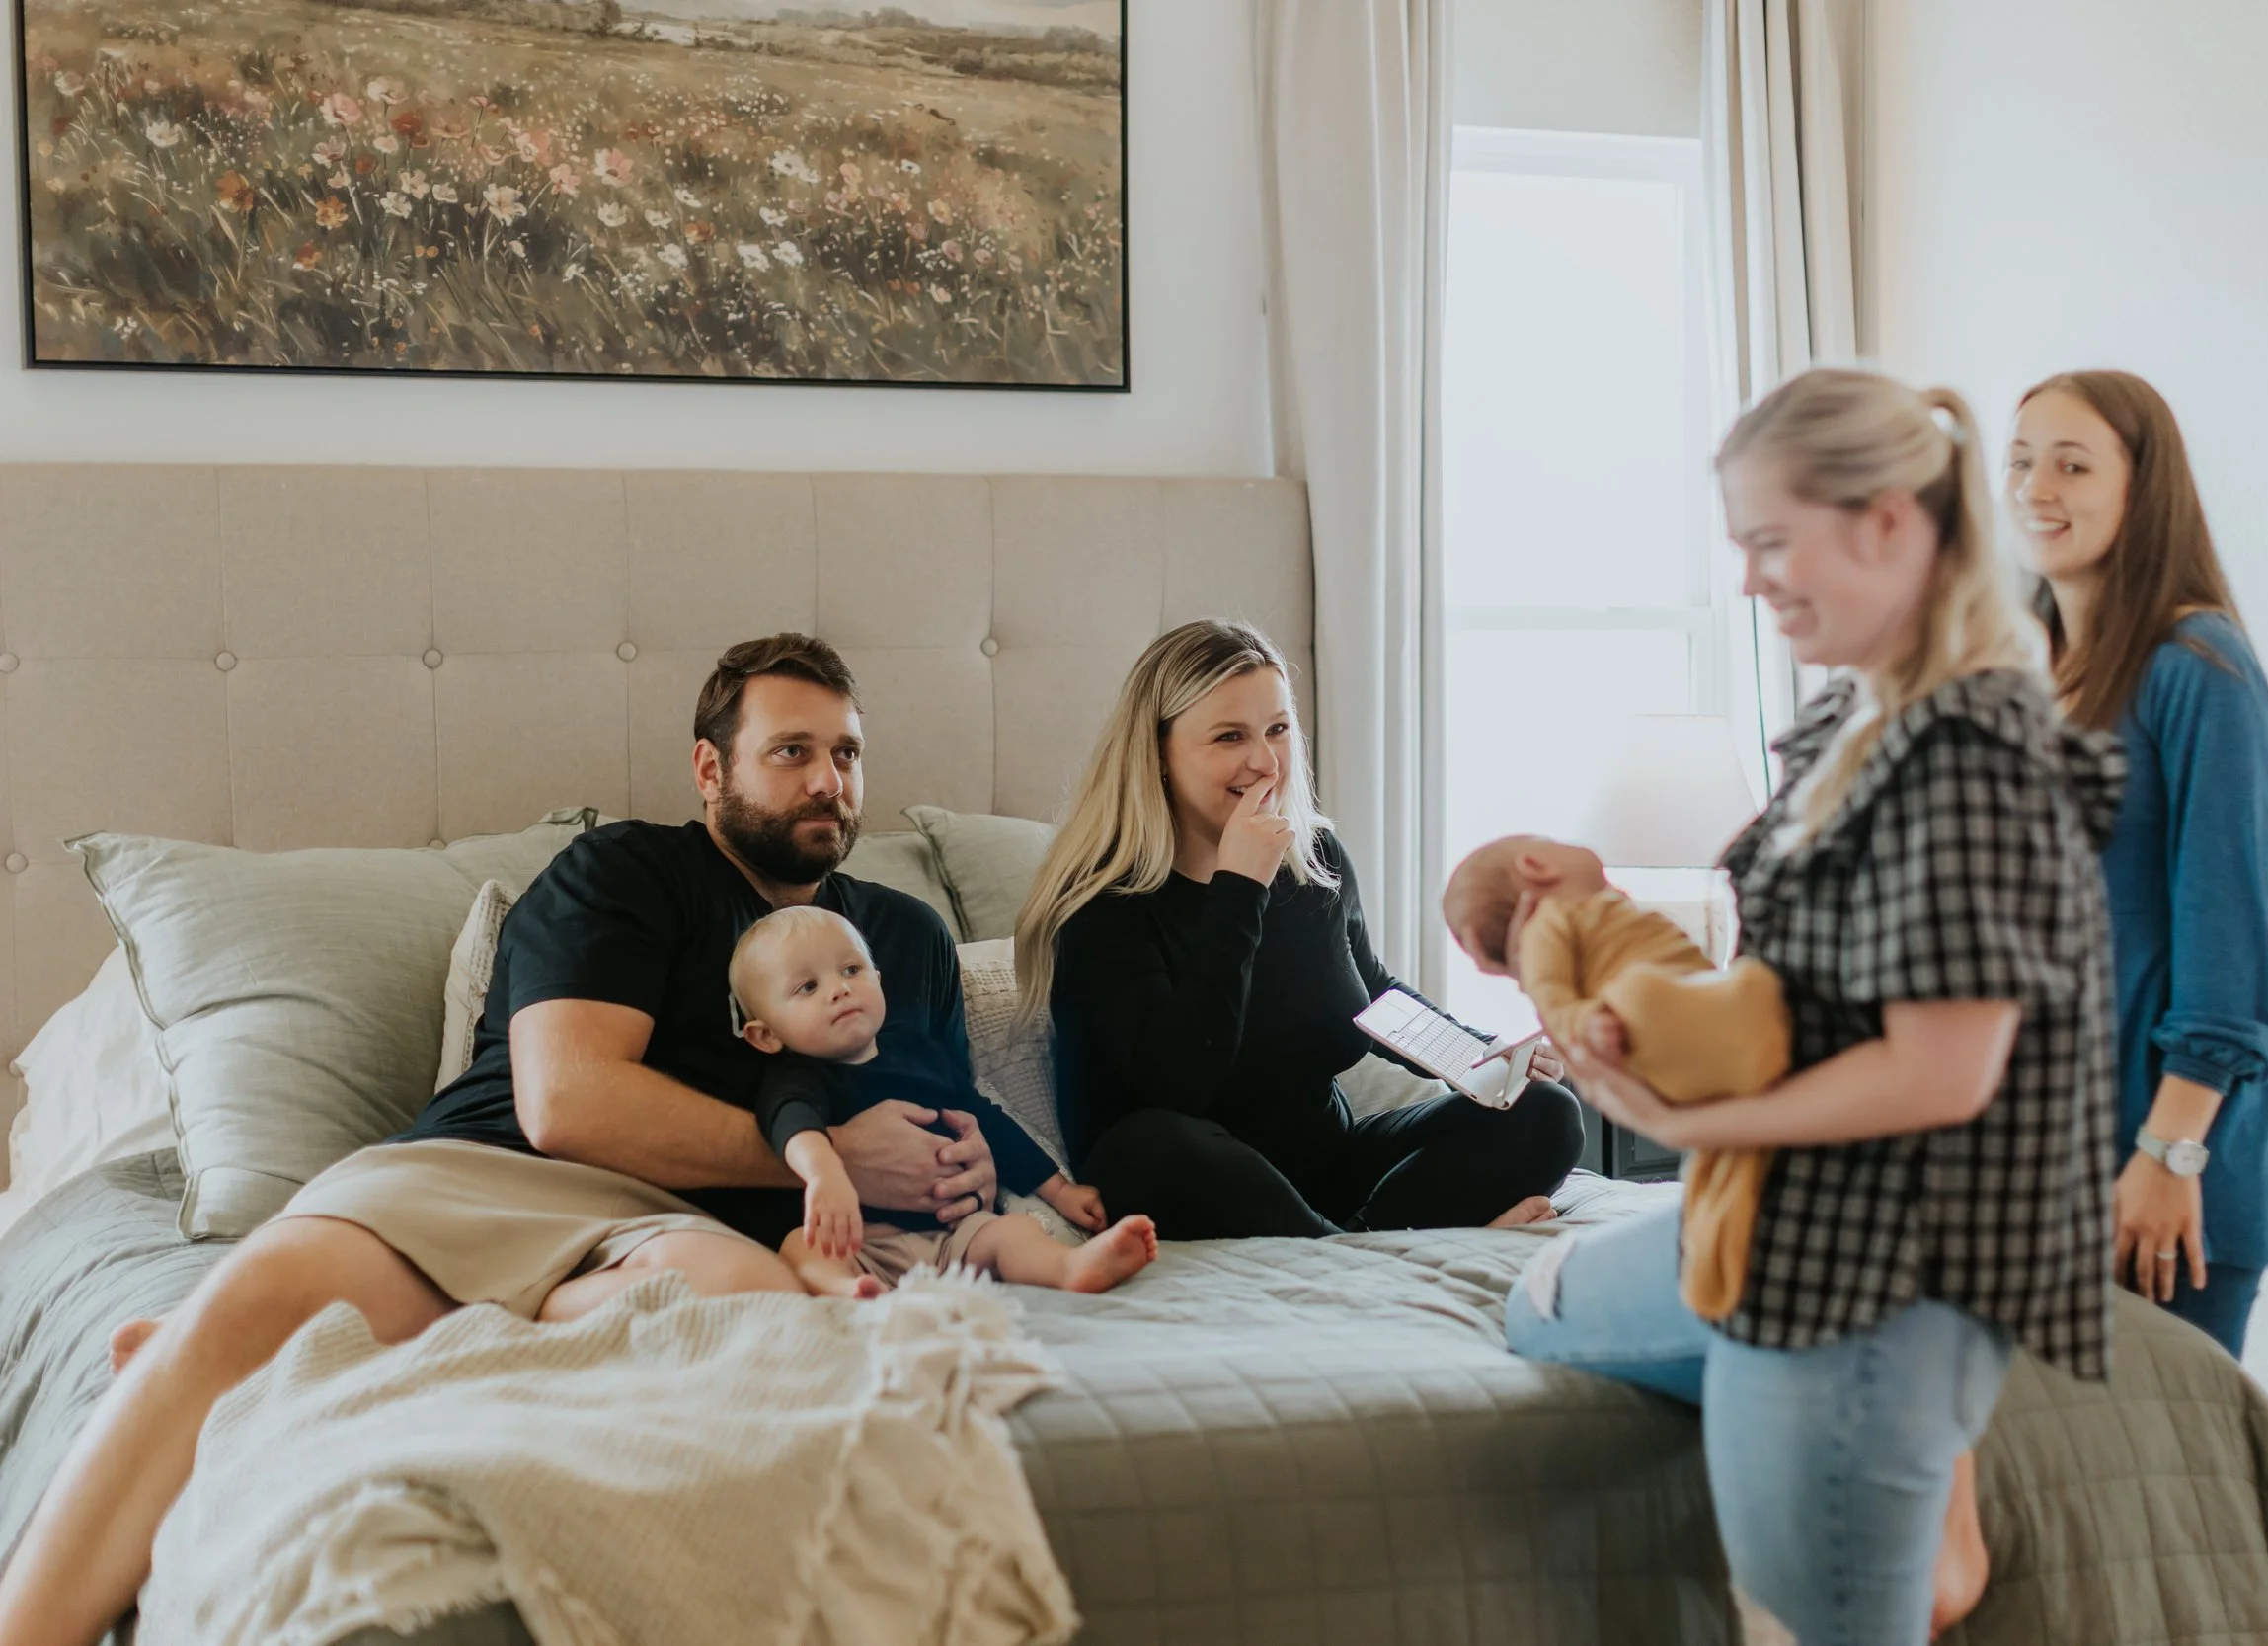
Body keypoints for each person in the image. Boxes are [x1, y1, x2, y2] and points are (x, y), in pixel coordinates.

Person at [0, 634, 1000, 1646]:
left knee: (756, 1317)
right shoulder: (626, 871)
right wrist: (833, 1153)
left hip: (694, 1238)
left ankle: (365, 1351)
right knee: (242, 1312)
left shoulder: (905, 937)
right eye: (792, 750)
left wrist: (967, 1170)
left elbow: (936, 1123)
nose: (828, 780)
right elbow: (569, 1103)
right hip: (493, 1178)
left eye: (847, 753)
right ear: (711, 768)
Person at [1505, 368, 2125, 1645]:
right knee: (1537, 1299)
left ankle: (1912, 1495)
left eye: (1772, 543)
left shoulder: (1968, 752)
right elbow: (1798, 986)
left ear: (1890, 522)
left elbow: (1944, 1073)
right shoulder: (1858, 711)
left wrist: (1702, 1125)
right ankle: (1921, 1506)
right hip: (1789, 1217)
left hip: (1872, 1269)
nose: (1749, 581)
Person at [1013, 619, 1587, 1242]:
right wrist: (1238, 889)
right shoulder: (1104, 902)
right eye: (1229, 736)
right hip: (1187, 1171)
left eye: (1277, 730)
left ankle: (1353, 1247)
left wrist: (1479, 1056)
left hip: (1323, 1165)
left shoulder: (1315, 859)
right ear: (1156, 755)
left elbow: (1374, 995)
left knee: (1547, 1110)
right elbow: (1176, 1082)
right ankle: (1372, 1251)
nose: (1263, 762)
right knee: (1154, 1142)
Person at [2007, 369, 2268, 1358]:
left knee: (2148, 1500)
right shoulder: (2024, 676)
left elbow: (2223, 943)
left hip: (2156, 1161)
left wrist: (2167, 1152)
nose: (2033, 487)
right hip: (2032, 1163)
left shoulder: (2197, 668)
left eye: (2071, 463)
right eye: (2018, 461)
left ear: (2145, 488)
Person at [701, 905, 1158, 1299]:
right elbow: (792, 1123)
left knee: (1014, 1234)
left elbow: (984, 1122)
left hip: (954, 1235)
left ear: (878, 980)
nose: (839, 989)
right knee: (799, 1246)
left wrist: (1061, 1191)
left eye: (851, 970)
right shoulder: (797, 1077)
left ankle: (1070, 1268)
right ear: (766, 1035)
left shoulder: (918, 1051)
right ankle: (850, 1295)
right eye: (807, 987)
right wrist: (825, 1172)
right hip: (861, 1246)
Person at [1441, 834, 1787, 1318]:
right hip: (1661, 1021)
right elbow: (1551, 995)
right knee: (1746, 991)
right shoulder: (1549, 921)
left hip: (1695, 1018)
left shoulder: (1604, 906)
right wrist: (1581, 1024)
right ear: (1536, 864)